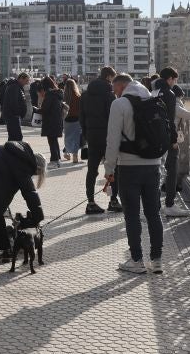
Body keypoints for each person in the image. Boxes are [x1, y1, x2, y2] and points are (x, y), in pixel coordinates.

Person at [104, 74, 170, 275]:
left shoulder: (119, 104)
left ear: (122, 85)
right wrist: (160, 163)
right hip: (153, 166)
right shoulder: (153, 101)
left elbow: (112, 140)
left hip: (128, 167)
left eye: (115, 88)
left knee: (132, 215)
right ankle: (157, 260)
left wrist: (109, 170)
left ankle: (137, 261)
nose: (114, 93)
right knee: (153, 214)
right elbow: (163, 134)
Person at [0, 141, 46, 262]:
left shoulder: (12, 152)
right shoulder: (24, 164)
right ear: (37, 168)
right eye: (36, 174)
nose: (33, 176)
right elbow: (30, 194)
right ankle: (6, 250)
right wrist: (38, 218)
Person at [80, 66, 121, 214]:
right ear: (109, 77)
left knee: (92, 170)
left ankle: (90, 203)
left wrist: (86, 134)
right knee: (113, 169)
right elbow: (114, 118)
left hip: (92, 136)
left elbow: (81, 118)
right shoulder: (109, 95)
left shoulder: (85, 95)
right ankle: (113, 201)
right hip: (107, 136)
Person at [152, 67, 190, 217]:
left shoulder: (154, 91)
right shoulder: (169, 94)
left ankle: (155, 204)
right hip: (167, 138)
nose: (175, 83)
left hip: (154, 137)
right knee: (171, 171)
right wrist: (174, 139)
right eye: (175, 80)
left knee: (157, 171)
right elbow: (169, 120)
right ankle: (170, 205)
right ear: (169, 79)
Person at [36, 77, 64, 168]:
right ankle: (58, 160)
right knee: (54, 141)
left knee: (52, 141)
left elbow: (45, 109)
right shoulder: (56, 94)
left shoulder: (50, 95)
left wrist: (36, 110)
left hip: (50, 121)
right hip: (57, 120)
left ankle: (54, 161)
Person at [2, 73, 29, 141]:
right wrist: (18, 113)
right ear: (21, 79)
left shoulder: (16, 87)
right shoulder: (14, 87)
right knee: (17, 137)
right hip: (13, 116)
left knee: (14, 136)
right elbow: (13, 103)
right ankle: (12, 148)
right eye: (26, 80)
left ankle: (11, 147)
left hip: (14, 116)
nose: (27, 83)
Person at [62, 78, 82, 164]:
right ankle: (75, 156)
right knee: (76, 138)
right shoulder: (78, 96)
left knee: (67, 137)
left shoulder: (64, 97)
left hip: (66, 119)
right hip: (77, 119)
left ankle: (67, 153)